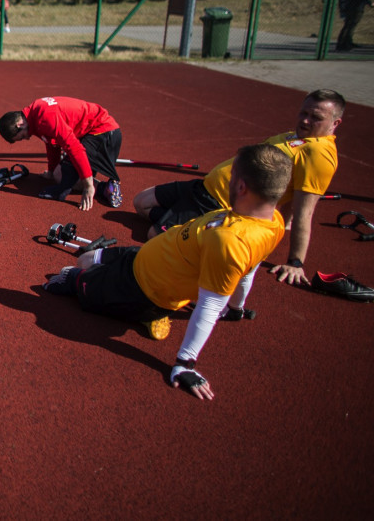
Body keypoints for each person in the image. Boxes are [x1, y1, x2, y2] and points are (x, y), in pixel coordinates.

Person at [45, 144, 292, 401]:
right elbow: (249, 271)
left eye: (231, 175)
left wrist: (185, 364)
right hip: (145, 255)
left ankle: (83, 285)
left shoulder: (231, 242)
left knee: (75, 278)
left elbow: (209, 306)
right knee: (85, 258)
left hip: (140, 287)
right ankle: (132, 305)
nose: (226, 179)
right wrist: (237, 308)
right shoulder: (274, 222)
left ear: (241, 187)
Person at [132, 89, 344, 286]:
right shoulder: (295, 137)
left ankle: (201, 231)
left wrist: (295, 262)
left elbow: (305, 210)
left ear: (335, 123)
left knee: (153, 234)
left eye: (316, 117)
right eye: (303, 113)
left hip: (218, 202)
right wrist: (285, 223)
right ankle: (189, 225)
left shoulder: (320, 154)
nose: (305, 121)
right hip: (203, 187)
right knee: (141, 203)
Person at [0, 97, 123, 210]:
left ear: (20, 124)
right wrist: (51, 171)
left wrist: (88, 186)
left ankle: (105, 188)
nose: (27, 138)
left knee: (64, 175)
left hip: (104, 133)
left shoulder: (45, 116)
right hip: (93, 134)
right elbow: (52, 142)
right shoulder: (33, 117)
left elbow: (74, 148)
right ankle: (92, 181)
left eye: (22, 136)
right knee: (58, 174)